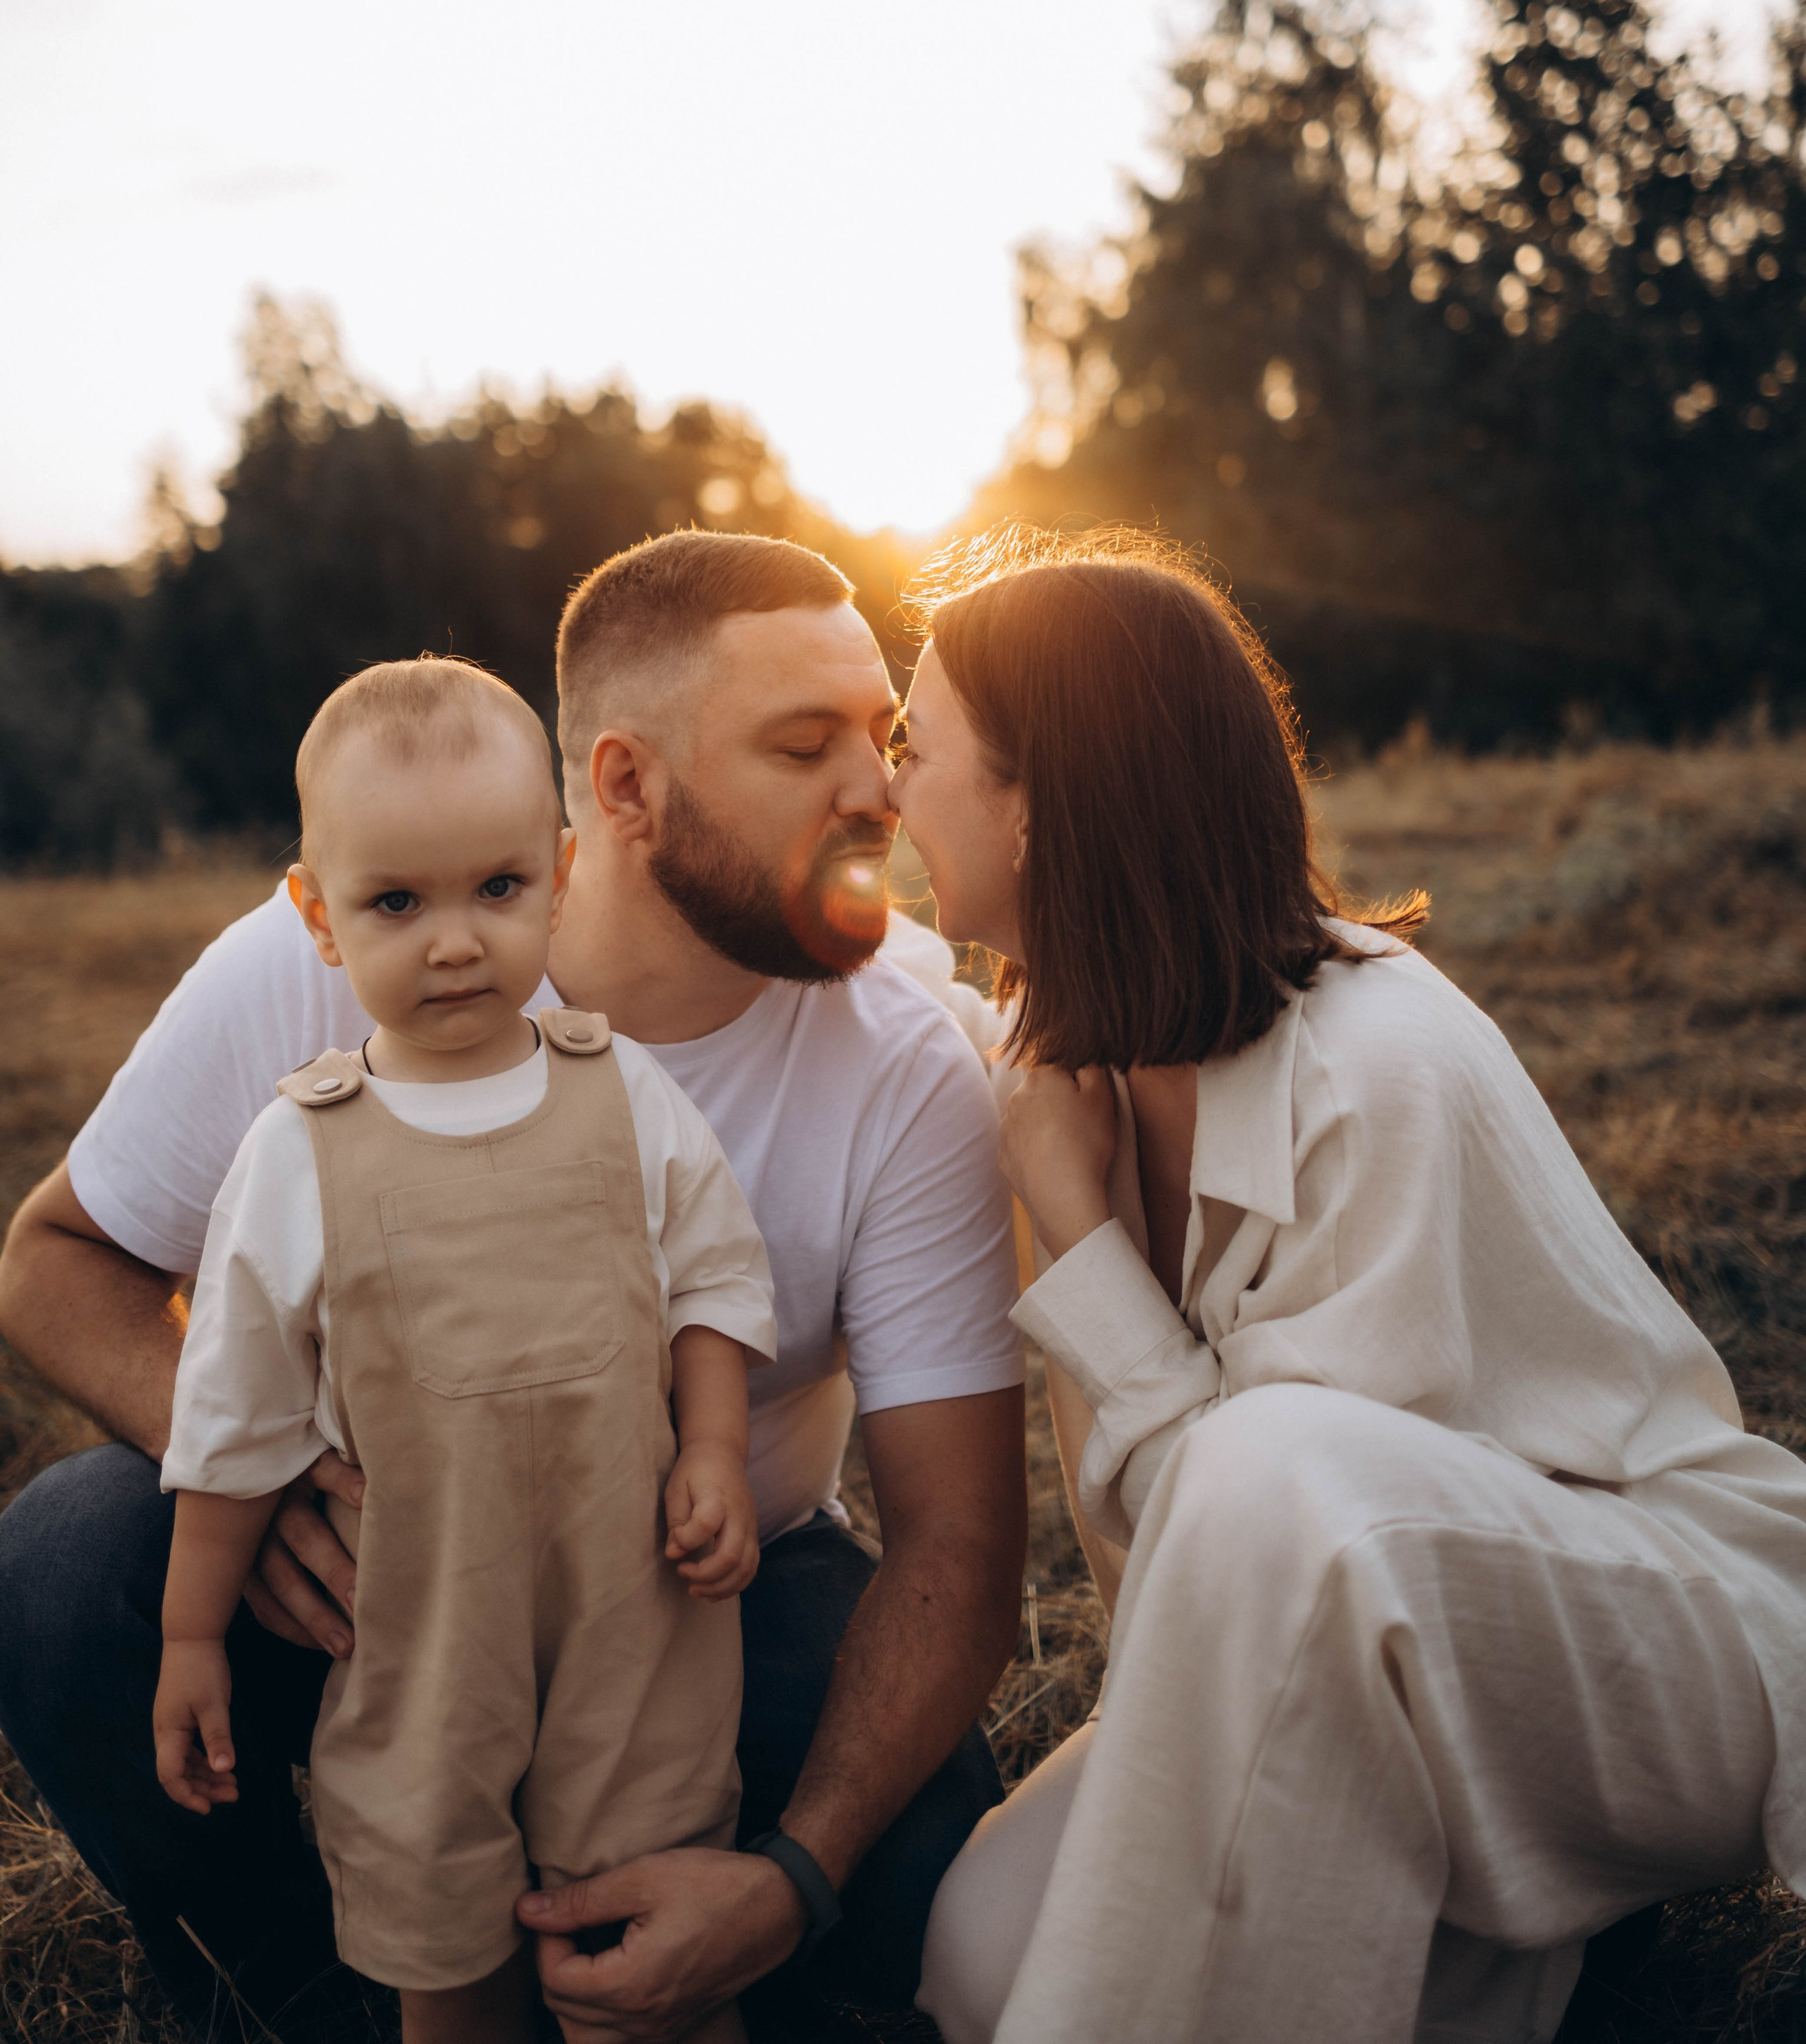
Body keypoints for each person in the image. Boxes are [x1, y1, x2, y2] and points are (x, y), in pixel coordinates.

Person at [0, 531, 1026, 2044]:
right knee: (70, 1570)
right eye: (804, 746)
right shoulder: (329, 962)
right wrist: (260, 1471)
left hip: (712, 1578)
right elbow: (51, 1260)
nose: (877, 792)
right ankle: (294, 1990)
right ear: (622, 789)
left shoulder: (902, 1065)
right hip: (378, 1567)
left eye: (877, 739)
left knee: (928, 1867)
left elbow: (957, 1545)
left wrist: (793, 1881)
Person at [895, 536, 1806, 2044]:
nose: (890, 791)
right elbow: (1174, 1608)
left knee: (1268, 1463)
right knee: (981, 1960)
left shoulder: (1372, 1067)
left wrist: (1076, 1225)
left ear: (1035, 804)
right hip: (1369, 1677)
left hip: (1642, 1644)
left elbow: (1290, 1548)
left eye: (913, 748)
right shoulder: (1067, 1069)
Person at [154, 655, 775, 2044]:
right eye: (395, 902)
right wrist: (194, 1630)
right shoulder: (301, 1149)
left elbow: (714, 1278)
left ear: (559, 874)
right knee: (445, 1942)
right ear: (317, 916)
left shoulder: (621, 1092)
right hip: (420, 1630)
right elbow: (235, 1417)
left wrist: (719, 1447)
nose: (452, 941)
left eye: (495, 890)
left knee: (654, 1949)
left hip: (635, 1616)